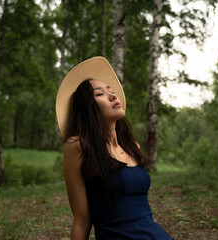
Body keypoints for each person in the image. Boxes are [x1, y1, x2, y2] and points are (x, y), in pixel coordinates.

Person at [56, 56, 173, 240]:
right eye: (100, 94)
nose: (112, 95)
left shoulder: (132, 146)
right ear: (88, 108)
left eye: (111, 90)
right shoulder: (77, 146)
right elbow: (81, 220)